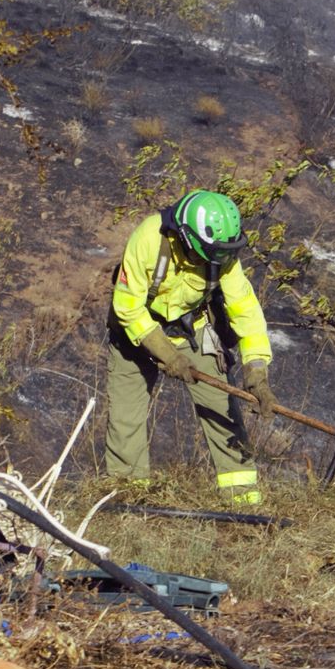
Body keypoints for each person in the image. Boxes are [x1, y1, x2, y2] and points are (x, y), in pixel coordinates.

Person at [105, 189, 277, 504]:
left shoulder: (223, 255)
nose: (224, 260)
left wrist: (257, 370)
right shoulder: (148, 240)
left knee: (221, 409)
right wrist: (168, 355)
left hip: (193, 331)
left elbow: (246, 311)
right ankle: (129, 503)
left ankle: (243, 500)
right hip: (137, 332)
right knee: (125, 420)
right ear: (189, 239)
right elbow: (127, 308)